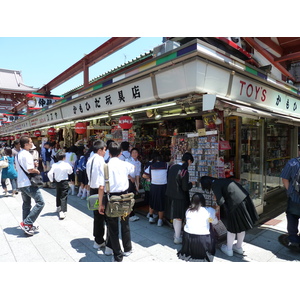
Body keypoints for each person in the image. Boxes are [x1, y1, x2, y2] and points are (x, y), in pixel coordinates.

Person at [200, 176, 259, 257]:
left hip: (235, 204)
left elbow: (221, 201)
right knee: (241, 226)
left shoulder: (215, 185)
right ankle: (238, 247)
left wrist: (216, 200)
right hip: (244, 199)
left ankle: (229, 250)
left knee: (231, 228)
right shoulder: (220, 180)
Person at [100, 141, 135, 262]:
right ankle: (128, 248)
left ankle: (117, 255)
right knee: (125, 224)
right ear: (120, 153)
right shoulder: (125, 164)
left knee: (112, 227)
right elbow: (133, 169)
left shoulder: (105, 166)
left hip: (112, 199)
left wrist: (101, 204)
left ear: (108, 153)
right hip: (125, 198)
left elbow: (101, 187)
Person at [15, 136, 45, 236]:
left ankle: (26, 224)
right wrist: (37, 170)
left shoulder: (18, 154)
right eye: (31, 142)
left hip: (21, 182)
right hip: (28, 183)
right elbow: (30, 169)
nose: (32, 143)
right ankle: (27, 223)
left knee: (26, 204)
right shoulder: (27, 154)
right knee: (40, 202)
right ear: (26, 144)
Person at [177, 192, 218, 262]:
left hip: (188, 238)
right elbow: (215, 222)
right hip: (202, 239)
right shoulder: (209, 210)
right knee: (210, 229)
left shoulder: (188, 210)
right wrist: (210, 219)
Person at [165, 152, 195, 244]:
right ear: (189, 161)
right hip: (179, 197)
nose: (190, 165)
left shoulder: (173, 167)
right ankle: (177, 237)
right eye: (190, 163)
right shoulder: (184, 171)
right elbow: (185, 187)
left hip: (170, 194)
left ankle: (176, 234)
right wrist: (192, 184)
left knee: (175, 216)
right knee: (179, 217)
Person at [86, 140, 107, 250]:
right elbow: (101, 184)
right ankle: (99, 241)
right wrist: (101, 200)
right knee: (101, 215)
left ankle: (97, 239)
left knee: (97, 217)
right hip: (99, 191)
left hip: (92, 190)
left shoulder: (90, 159)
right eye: (104, 150)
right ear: (99, 150)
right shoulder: (99, 160)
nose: (105, 152)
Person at [143, 151, 168, 226]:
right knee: (161, 203)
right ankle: (160, 221)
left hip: (154, 186)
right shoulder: (166, 165)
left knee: (152, 201)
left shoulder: (151, 166)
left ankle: (151, 217)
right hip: (163, 186)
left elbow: (144, 175)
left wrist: (151, 177)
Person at [280, 156, 300, 249]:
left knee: (292, 216)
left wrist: (290, 191)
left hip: (295, 197)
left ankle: (293, 239)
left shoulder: (292, 163)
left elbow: (284, 178)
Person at [48, 151, 73, 219]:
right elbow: (70, 172)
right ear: (64, 158)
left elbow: (49, 173)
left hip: (57, 181)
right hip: (64, 181)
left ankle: (58, 207)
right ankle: (62, 210)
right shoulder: (66, 164)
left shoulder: (54, 165)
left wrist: (51, 180)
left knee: (58, 193)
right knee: (63, 195)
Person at [128, 147, 141, 222]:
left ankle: (132, 213)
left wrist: (137, 184)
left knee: (133, 198)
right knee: (129, 197)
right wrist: (130, 177)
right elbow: (124, 172)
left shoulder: (138, 163)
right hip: (128, 181)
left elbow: (137, 175)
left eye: (136, 153)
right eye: (133, 153)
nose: (134, 154)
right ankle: (129, 215)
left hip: (133, 182)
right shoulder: (128, 161)